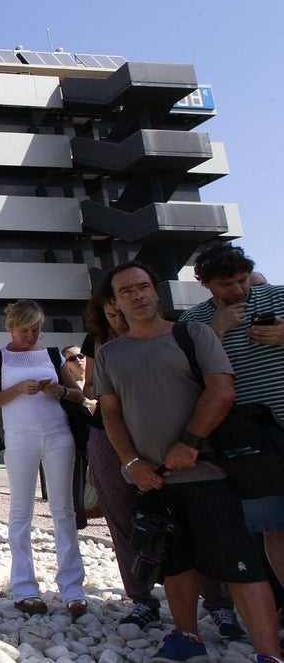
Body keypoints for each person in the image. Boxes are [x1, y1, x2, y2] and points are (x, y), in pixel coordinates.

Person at [96, 262, 281, 663]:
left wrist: (190, 442)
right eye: (126, 291)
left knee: (239, 564)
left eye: (143, 286)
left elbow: (222, 390)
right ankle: (186, 637)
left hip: (208, 473)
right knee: (174, 564)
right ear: (115, 303)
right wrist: (131, 463)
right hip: (151, 480)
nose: (138, 295)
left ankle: (269, 652)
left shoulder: (193, 334)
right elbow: (110, 412)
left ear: (155, 291)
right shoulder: (109, 354)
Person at [81, 283, 243, 637]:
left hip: (173, 437)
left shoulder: (181, 333)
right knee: (126, 520)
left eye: (121, 311)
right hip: (111, 435)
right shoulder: (101, 344)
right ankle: (141, 598)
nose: (119, 319)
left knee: (198, 521)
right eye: (112, 314)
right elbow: (93, 391)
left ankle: (219, 602)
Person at [178, 244, 284, 594]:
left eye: (242, 280)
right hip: (250, 440)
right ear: (205, 284)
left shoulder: (279, 296)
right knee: (274, 527)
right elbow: (187, 380)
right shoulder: (193, 323)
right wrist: (215, 331)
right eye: (227, 284)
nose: (239, 290)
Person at [0, 300, 87, 617]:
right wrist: (17, 390)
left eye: (36, 330)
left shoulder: (53, 355)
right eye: (25, 331)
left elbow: (79, 394)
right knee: (20, 510)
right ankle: (25, 587)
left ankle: (73, 589)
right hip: (20, 438)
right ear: (11, 328)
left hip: (58, 435)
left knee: (63, 510)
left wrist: (60, 391)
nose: (31, 336)